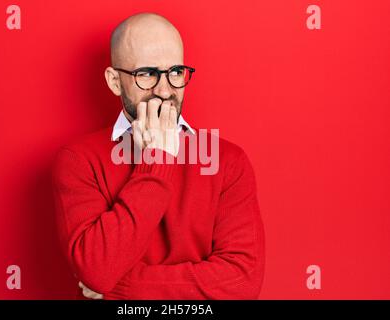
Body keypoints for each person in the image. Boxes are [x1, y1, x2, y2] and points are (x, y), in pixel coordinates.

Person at [52, 12, 265, 300]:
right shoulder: (79, 160)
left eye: (176, 72)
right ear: (115, 81)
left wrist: (119, 287)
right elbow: (97, 269)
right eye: (147, 74)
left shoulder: (228, 161)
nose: (165, 90)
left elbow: (242, 283)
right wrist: (158, 160)